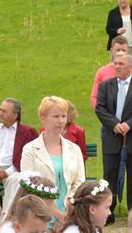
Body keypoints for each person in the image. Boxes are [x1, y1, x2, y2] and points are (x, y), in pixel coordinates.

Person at [96, 54, 132, 214]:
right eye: (115, 63)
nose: (117, 66)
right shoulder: (105, 86)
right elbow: (100, 108)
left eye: (121, 63)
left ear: (131, 66)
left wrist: (129, 124)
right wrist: (114, 124)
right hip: (111, 136)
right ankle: (108, 211)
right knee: (109, 175)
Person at [24, 96, 86, 224]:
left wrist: (68, 212)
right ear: (43, 118)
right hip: (40, 216)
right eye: (56, 116)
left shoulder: (74, 149)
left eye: (63, 116)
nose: (61, 121)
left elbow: (79, 184)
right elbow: (30, 186)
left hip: (70, 215)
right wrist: (57, 215)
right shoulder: (30, 150)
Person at [90, 35, 132, 108]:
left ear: (128, 51)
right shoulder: (102, 72)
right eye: (118, 50)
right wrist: (103, 114)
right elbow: (94, 97)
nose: (121, 52)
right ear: (111, 51)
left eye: (123, 50)